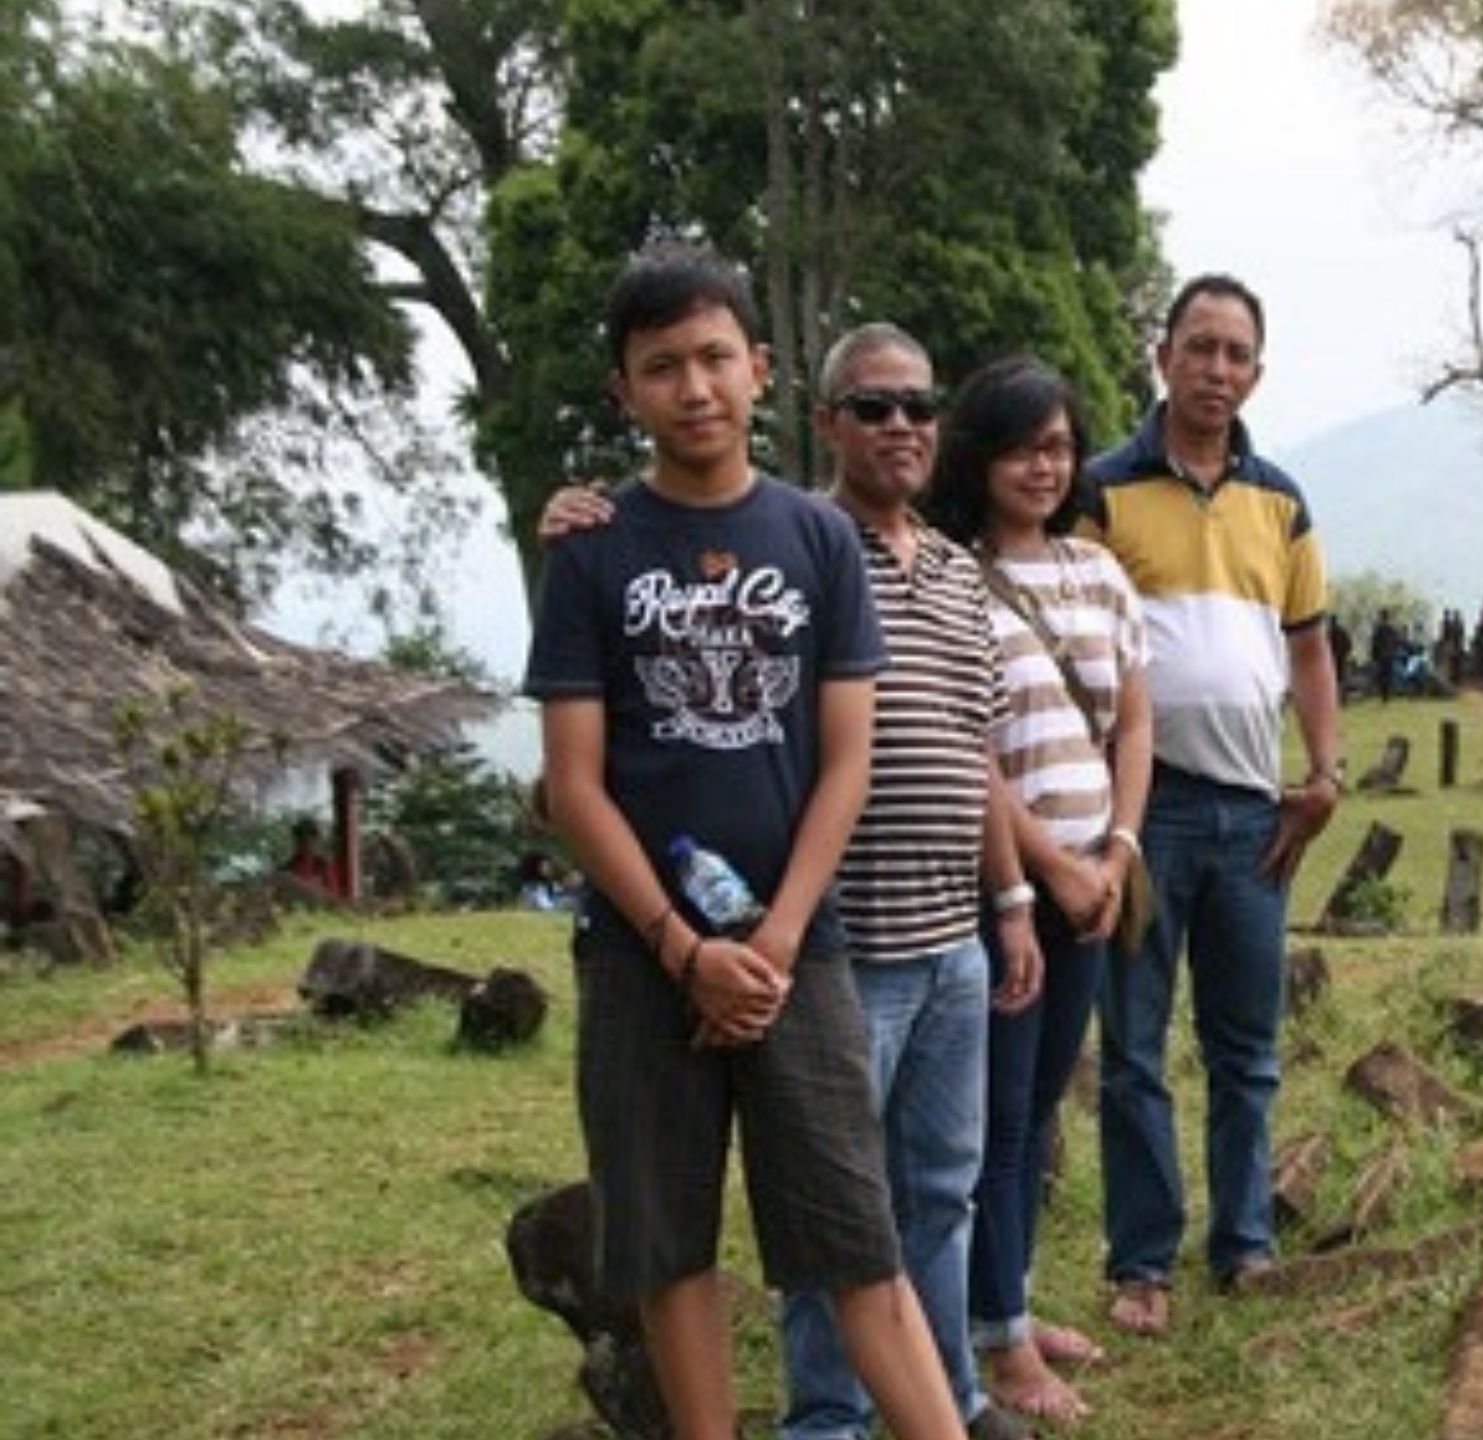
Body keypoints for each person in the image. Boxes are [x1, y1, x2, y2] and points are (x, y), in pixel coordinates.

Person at [541, 321, 1036, 1440]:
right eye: (661, 367)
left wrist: (774, 939)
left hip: (803, 951)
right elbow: (573, 786)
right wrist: (683, 947)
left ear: (757, 367)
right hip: (638, 956)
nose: (694, 388)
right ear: (624, 388)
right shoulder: (590, 550)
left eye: (714, 359)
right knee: (670, 1244)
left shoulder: (816, 541)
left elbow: (849, 755)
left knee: (856, 1233)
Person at [1082, 274, 1343, 1336]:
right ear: (1164, 357)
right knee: (1134, 1045)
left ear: (1257, 372)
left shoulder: (1281, 502)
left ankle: (1244, 1245)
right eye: (1201, 348)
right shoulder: (1100, 489)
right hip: (1143, 816)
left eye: (1237, 354)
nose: (1217, 371)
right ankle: (1141, 1261)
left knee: (1246, 1045)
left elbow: (1309, 645)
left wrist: (1324, 775)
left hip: (1251, 816)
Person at [925, 356, 1154, 1425]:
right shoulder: (951, 579)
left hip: (1095, 884)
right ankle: (999, 1346)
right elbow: (967, 749)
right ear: (978, 457)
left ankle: (1005, 1308)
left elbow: (1135, 724)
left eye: (1059, 446)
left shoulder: (1100, 574)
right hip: (1004, 888)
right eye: (1021, 446)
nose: (1043, 464)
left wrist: (1113, 848)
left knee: (1042, 1099)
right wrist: (1048, 869)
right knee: (999, 1118)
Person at [280, 817, 345, 900]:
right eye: (300, 838)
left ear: (316, 840)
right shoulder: (287, 868)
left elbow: (333, 897)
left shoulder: (324, 866)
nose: (304, 843)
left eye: (309, 838)